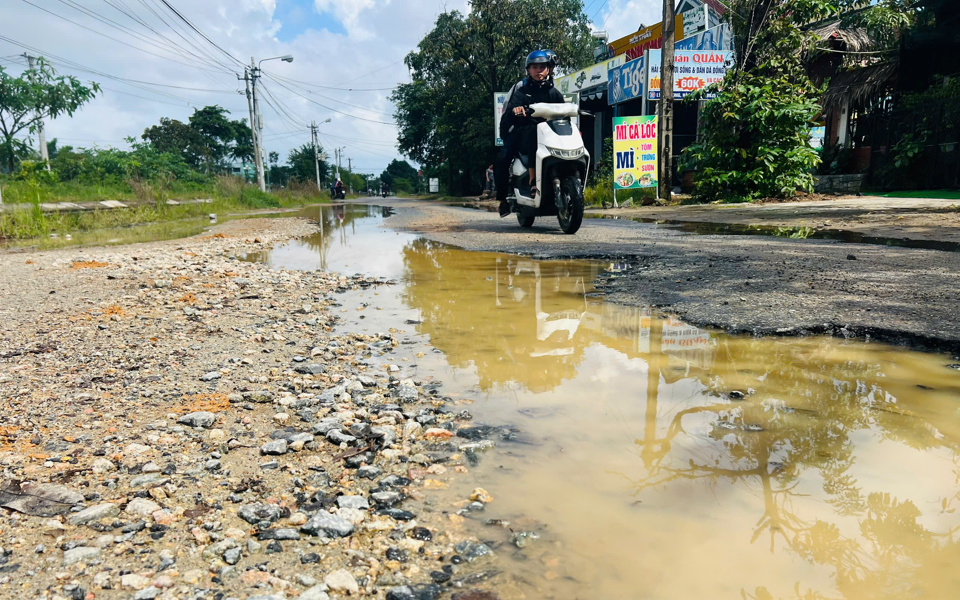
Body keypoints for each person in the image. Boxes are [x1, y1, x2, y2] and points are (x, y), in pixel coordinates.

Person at [495, 49, 564, 217]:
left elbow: (563, 111)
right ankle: (504, 199)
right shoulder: (522, 91)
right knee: (501, 159)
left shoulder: (554, 93)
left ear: (548, 69)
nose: (538, 70)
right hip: (523, 133)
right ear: (528, 69)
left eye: (542, 67)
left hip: (550, 135)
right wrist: (515, 111)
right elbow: (510, 111)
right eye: (534, 67)